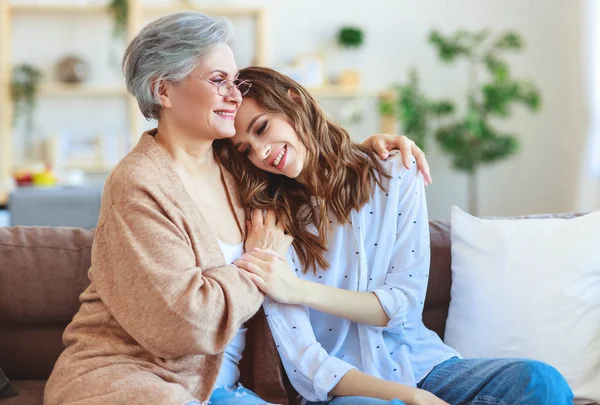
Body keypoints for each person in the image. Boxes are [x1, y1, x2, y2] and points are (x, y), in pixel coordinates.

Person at [44, 12, 428, 405]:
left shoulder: (238, 168)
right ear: (164, 91)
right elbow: (184, 325)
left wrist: (371, 150)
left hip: (221, 388)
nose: (234, 95)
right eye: (217, 80)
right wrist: (258, 260)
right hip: (134, 378)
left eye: (235, 81)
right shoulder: (139, 184)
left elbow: (301, 151)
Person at [224, 66, 575, 405]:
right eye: (246, 150)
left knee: (540, 383)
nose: (261, 152)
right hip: (347, 391)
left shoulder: (393, 174)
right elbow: (308, 365)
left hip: (424, 365)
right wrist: (413, 398)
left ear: (294, 100)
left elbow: (402, 305)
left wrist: (299, 290)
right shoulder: (269, 225)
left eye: (262, 128)